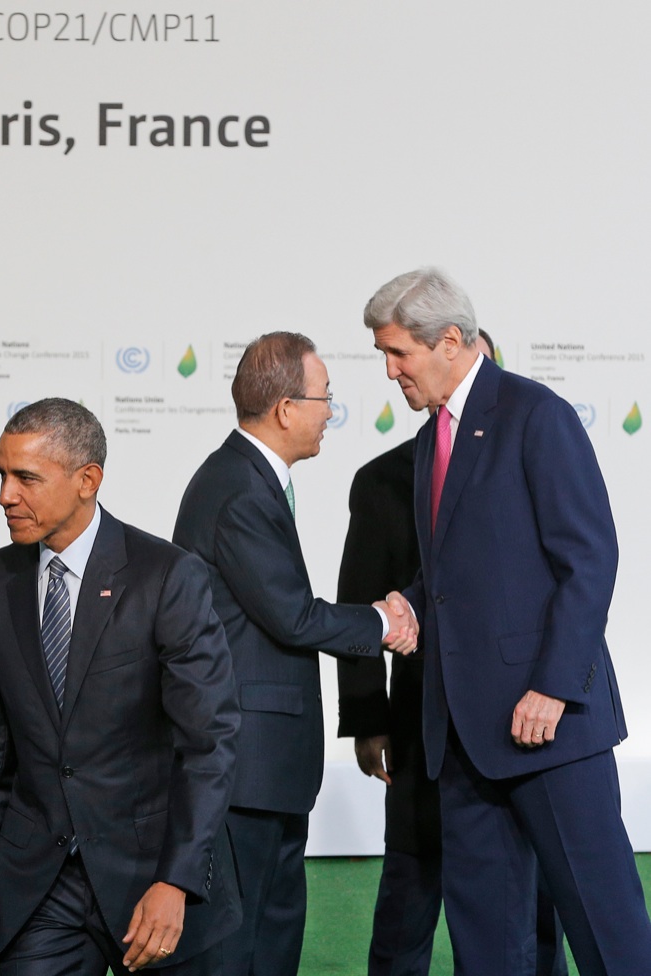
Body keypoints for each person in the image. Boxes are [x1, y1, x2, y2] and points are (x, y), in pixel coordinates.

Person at [364, 267, 651, 975]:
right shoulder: (434, 437)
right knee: (487, 943)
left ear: (451, 341)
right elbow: (462, 571)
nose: (391, 371)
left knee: (604, 929)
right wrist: (404, 600)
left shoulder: (535, 413)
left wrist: (553, 687)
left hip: (550, 729)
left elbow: (589, 559)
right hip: (461, 737)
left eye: (398, 353)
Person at [0, 398, 241, 975]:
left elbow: (210, 743)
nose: (6, 495)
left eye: (26, 478)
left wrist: (174, 880)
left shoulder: (167, 575)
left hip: (152, 877)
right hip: (38, 885)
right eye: (2, 476)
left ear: (88, 480)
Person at [171, 331, 416, 976]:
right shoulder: (239, 487)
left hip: (266, 768)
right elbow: (292, 615)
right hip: (244, 762)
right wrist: (384, 623)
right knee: (236, 948)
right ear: (285, 408)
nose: (330, 411)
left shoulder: (247, 478)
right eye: (324, 397)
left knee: (269, 943)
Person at [335, 323, 567, 976]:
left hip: (524, 722)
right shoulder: (384, 478)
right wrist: (367, 720)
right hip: (420, 723)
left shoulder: (531, 455)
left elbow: (567, 578)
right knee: (412, 882)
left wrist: (554, 688)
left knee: (534, 887)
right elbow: (362, 603)